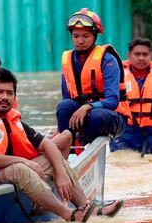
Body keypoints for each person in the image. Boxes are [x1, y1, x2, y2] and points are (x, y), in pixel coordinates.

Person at [0, 68, 122, 222]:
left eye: (9, 93)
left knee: (52, 158)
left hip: (12, 170)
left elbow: (48, 145)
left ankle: (87, 208)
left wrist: (61, 174)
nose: (5, 97)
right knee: (21, 168)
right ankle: (68, 214)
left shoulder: (13, 120)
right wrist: (23, 161)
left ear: (15, 96)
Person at [55, 8, 131, 146]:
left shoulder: (108, 60)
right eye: (76, 36)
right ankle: (67, 147)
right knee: (64, 106)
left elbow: (113, 101)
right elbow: (67, 98)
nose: (80, 41)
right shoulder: (67, 59)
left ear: (95, 36)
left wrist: (87, 107)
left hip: (112, 115)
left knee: (96, 116)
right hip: (84, 111)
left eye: (85, 36)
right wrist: (61, 126)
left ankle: (85, 146)